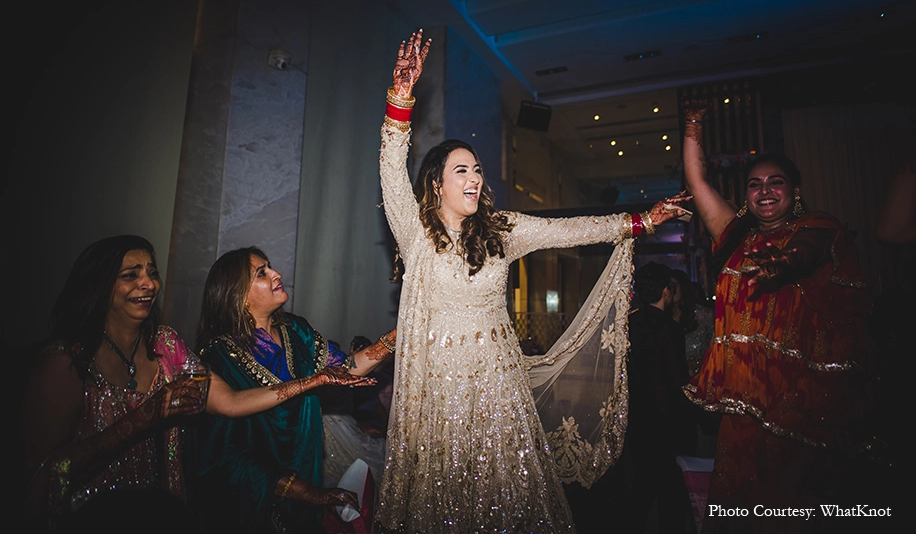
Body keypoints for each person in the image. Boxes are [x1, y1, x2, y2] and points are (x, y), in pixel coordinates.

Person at [375, 29, 690, 533]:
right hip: (438, 394)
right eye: (461, 170)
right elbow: (392, 168)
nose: (474, 177)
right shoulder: (415, 234)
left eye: (477, 169)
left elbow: (570, 230)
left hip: (498, 387)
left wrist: (641, 222)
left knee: (506, 496)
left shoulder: (502, 230)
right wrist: (401, 97)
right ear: (436, 183)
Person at [22, 235, 361, 532]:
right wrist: (144, 418)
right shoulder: (65, 363)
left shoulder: (166, 346)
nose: (148, 283)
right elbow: (41, 476)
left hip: (157, 514)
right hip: (88, 519)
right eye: (131, 275)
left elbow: (231, 402)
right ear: (99, 285)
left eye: (152, 272)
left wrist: (311, 381)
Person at [680, 104, 877, 532]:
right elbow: (697, 182)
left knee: (795, 506)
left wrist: (785, 263)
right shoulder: (735, 236)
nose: (764, 191)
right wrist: (693, 123)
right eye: (755, 184)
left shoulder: (819, 227)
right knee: (742, 506)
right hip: (743, 401)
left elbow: (806, 251)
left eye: (776, 182)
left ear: (795, 191)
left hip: (799, 402)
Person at [191, 246, 397, 533]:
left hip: (304, 463)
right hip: (251, 495)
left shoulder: (296, 330)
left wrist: (395, 337)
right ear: (238, 295)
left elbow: (346, 369)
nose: (276, 274)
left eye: (270, 267)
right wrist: (306, 492)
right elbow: (224, 450)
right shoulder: (219, 355)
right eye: (261, 273)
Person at [621, 262, 695, 533]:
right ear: (666, 291)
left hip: (637, 415)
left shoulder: (628, 325)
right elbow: (677, 379)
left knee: (642, 484)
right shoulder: (670, 328)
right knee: (669, 491)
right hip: (666, 418)